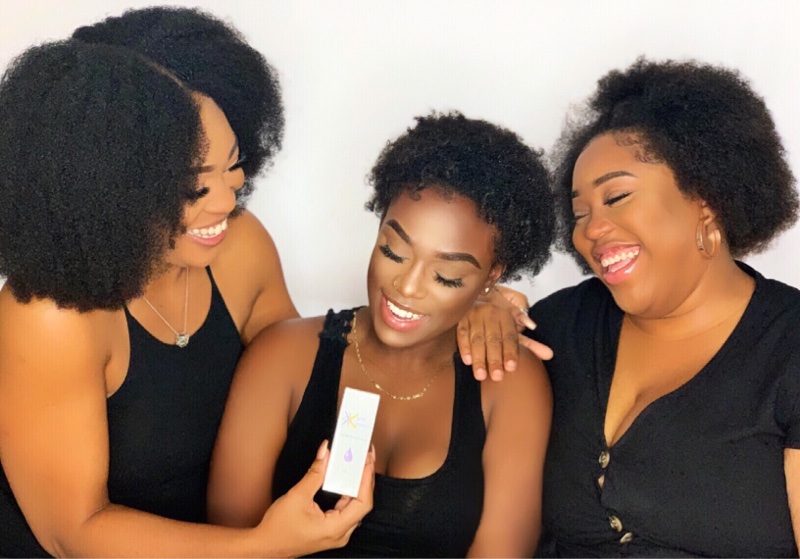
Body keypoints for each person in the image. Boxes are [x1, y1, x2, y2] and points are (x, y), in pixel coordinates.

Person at [0, 34, 373, 558]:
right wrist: (265, 546)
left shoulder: (239, 246)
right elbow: (73, 533)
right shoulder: (52, 316)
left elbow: (308, 375)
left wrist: (460, 312)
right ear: (112, 188)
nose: (225, 201)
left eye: (232, 167)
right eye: (195, 187)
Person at [208, 112, 555, 557]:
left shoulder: (507, 379)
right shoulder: (283, 356)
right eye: (393, 251)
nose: (406, 287)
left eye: (446, 276)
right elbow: (229, 543)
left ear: (492, 276)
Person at [526, 58, 800, 556]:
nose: (591, 229)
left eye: (617, 196)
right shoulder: (558, 328)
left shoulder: (790, 348)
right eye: (580, 213)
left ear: (705, 199)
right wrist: (477, 307)